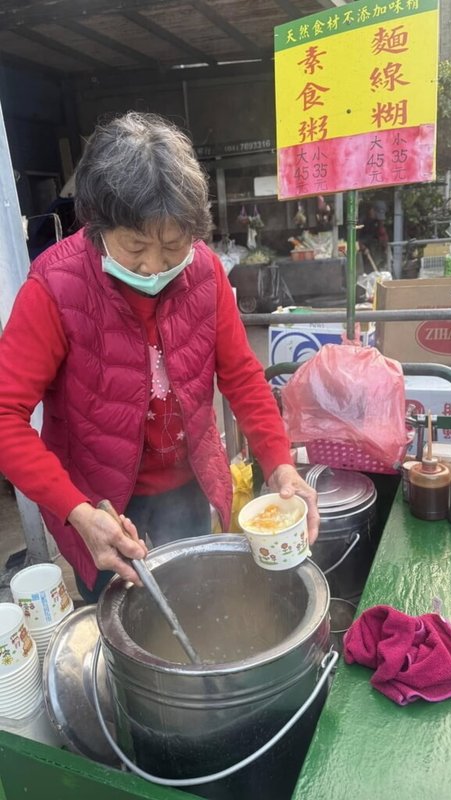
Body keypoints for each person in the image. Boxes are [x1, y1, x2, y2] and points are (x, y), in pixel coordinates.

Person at [0, 112, 319, 603]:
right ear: (97, 225)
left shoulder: (207, 274)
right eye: (135, 246)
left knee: (198, 605)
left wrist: (280, 465)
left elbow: (242, 378)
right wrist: (78, 511)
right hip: (99, 504)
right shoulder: (54, 287)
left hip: (189, 488)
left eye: (172, 247)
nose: (154, 266)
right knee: (124, 630)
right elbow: (6, 417)